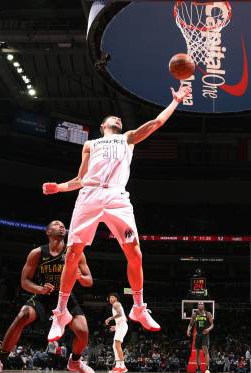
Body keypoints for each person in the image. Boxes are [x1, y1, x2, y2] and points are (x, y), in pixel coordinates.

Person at [42, 85, 192, 341]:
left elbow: (156, 123)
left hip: (117, 197)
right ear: (103, 125)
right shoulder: (90, 143)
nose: (119, 119)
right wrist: (59, 187)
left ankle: (138, 307)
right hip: (89, 196)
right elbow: (81, 179)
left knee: (135, 252)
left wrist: (175, 101)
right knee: (73, 254)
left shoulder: (127, 138)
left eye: (120, 119)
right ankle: (60, 312)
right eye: (114, 118)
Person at [0, 220, 94, 373]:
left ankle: (75, 361)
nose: (62, 226)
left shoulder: (75, 252)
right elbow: (24, 281)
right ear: (48, 232)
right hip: (43, 296)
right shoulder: (37, 253)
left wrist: (80, 276)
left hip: (66, 297)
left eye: (63, 225)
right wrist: (39, 289)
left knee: (83, 331)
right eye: (57, 224)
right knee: (22, 316)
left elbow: (89, 280)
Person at [187, 301, 214, 373]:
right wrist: (188, 330)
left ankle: (207, 368)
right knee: (197, 352)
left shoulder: (208, 314)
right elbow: (190, 325)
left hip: (205, 334)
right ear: (197, 306)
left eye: (201, 304)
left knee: (205, 350)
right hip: (198, 335)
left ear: (204, 306)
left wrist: (208, 329)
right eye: (199, 304)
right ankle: (198, 369)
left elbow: (212, 325)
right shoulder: (195, 314)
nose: (200, 305)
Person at [105, 292, 128, 373]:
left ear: (116, 298)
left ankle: (123, 366)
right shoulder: (116, 305)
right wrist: (116, 326)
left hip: (122, 326)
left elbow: (120, 314)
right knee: (114, 345)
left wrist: (109, 318)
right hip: (120, 326)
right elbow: (125, 319)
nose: (111, 299)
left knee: (117, 345)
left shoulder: (116, 304)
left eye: (112, 297)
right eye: (110, 297)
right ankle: (118, 366)